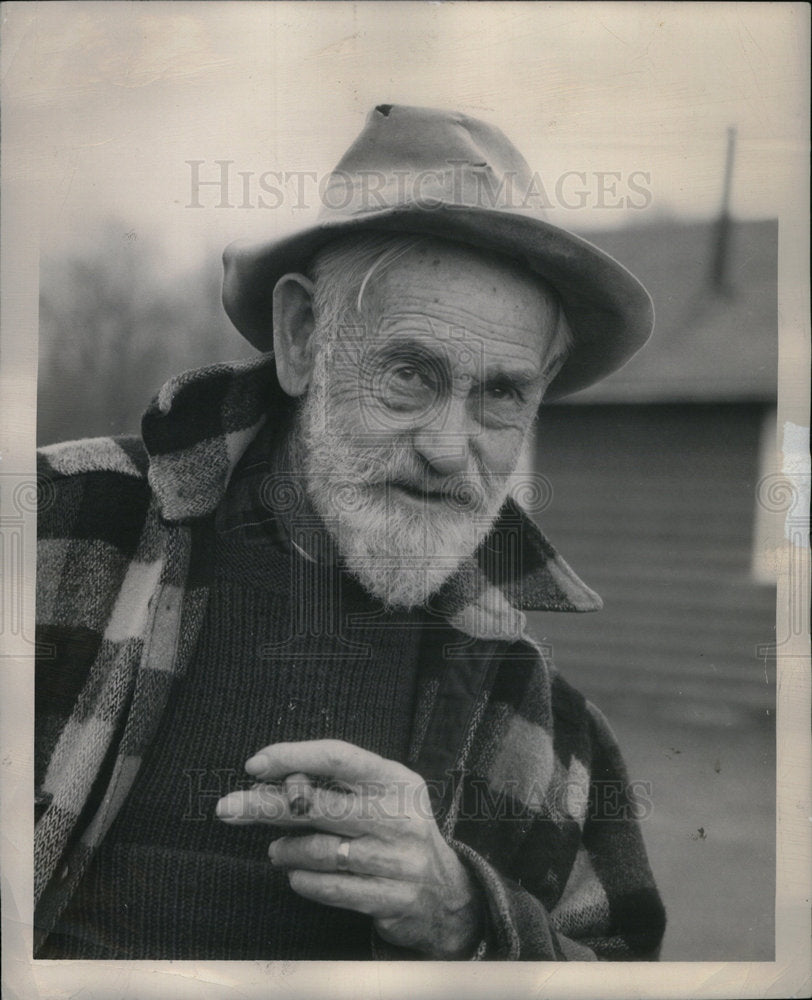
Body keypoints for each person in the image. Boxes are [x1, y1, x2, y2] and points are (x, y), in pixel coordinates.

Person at [34, 104, 666, 960]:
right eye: (409, 374)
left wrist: (464, 912)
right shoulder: (51, 531)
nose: (450, 449)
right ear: (303, 339)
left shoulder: (547, 726)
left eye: (502, 394)